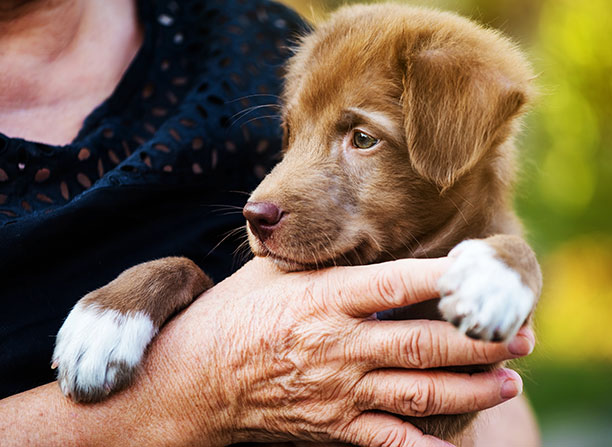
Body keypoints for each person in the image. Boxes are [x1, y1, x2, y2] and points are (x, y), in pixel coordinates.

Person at [0, 0, 540, 445]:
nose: (263, 198)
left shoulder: (259, 36)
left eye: (362, 138)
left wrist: (508, 279)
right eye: (290, 135)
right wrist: (193, 384)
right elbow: (239, 318)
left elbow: (496, 410)